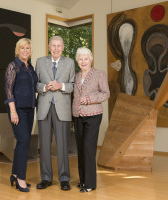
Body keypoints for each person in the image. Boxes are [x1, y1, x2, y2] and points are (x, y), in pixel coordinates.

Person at [35, 36, 75, 190]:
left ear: (63, 47)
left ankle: (64, 179)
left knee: (63, 145)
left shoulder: (70, 63)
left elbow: (72, 85)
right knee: (44, 145)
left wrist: (61, 86)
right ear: (49, 47)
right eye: (53, 46)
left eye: (59, 46)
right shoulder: (40, 62)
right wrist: (45, 87)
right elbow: (35, 84)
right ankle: (46, 178)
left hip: (62, 109)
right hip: (44, 108)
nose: (56, 48)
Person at [72, 47, 110, 193]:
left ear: (91, 59)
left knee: (88, 148)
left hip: (93, 114)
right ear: (77, 60)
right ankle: (82, 181)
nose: (83, 61)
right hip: (78, 115)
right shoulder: (75, 76)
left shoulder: (99, 74)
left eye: (86, 58)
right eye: (80, 59)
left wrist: (88, 99)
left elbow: (106, 94)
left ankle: (90, 183)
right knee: (80, 148)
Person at [4, 38, 38, 192]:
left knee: (22, 142)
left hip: (30, 109)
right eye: (22, 48)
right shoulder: (13, 66)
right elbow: (8, 89)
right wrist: (12, 111)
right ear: (18, 50)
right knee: (24, 141)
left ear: (30, 51)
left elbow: (34, 88)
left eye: (28, 48)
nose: (25, 51)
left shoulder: (30, 68)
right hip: (17, 109)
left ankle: (15, 174)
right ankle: (21, 179)